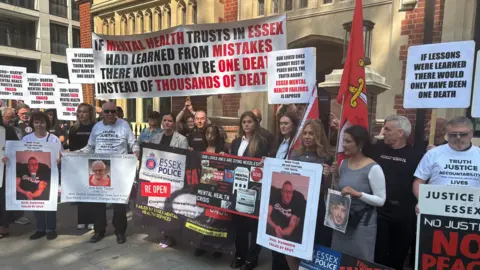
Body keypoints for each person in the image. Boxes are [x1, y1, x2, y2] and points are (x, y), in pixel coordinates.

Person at [79, 102, 139, 245]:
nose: (110, 114)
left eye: (113, 111)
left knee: (119, 204)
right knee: (98, 204)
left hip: (120, 170)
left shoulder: (124, 125)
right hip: (100, 168)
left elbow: (133, 143)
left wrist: (136, 152)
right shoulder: (97, 127)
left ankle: (120, 232)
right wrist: (74, 154)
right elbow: (90, 147)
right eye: (107, 112)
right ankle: (99, 231)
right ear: (102, 113)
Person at [371, 116, 424, 270]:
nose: (384, 132)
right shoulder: (377, 149)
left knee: (397, 257)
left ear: (400, 133)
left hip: (404, 214)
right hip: (379, 211)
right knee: (378, 256)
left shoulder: (417, 155)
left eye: (388, 129)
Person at [331, 125, 386, 261]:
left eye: (348, 141)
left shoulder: (373, 168)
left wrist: (358, 194)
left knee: (360, 260)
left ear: (360, 144)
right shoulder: (343, 163)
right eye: (344, 140)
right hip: (342, 219)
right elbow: (340, 190)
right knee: (340, 257)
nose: (344, 145)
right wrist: (334, 177)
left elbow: (381, 200)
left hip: (362, 221)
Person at [287, 119, 333, 269]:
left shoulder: (326, 157)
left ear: (318, 136)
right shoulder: (295, 154)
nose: (307, 136)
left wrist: (328, 176)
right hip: (296, 206)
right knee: (292, 244)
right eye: (305, 133)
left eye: (311, 134)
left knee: (314, 244)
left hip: (316, 207)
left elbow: (330, 188)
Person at [230, 111, 269, 270]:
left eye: (249, 122)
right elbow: (232, 161)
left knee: (253, 225)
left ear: (255, 123)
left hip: (254, 188)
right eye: (244, 122)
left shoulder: (261, 142)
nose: (246, 124)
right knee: (239, 224)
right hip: (237, 187)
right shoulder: (236, 141)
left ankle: (252, 259)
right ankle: (240, 255)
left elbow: (264, 163)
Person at [16, 111, 62, 240]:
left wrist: (59, 158)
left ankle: (51, 229)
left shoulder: (53, 138)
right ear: (33, 124)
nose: (39, 125)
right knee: (36, 203)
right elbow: (20, 153)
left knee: (50, 202)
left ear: (46, 123)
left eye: (42, 122)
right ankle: (40, 229)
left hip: (48, 174)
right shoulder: (27, 138)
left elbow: (60, 154)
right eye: (36, 122)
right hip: (32, 174)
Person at [414, 116, 480, 203]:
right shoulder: (433, 154)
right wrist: (423, 202)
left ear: (471, 133)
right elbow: (419, 182)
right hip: (437, 208)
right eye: (453, 134)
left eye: (463, 134)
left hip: (471, 210)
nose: (458, 137)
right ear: (447, 134)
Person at [68, 103, 96, 230]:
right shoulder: (74, 128)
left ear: (90, 113)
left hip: (92, 161)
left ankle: (92, 219)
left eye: (84, 112)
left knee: (91, 191)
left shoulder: (95, 127)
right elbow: (72, 147)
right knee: (81, 192)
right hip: (78, 162)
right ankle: (82, 219)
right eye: (79, 112)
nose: (82, 114)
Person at [0, 109, 20, 239]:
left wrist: (9, 156)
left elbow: (16, 148)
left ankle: (3, 227)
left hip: (2, 170)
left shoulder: (6, 130)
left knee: (2, 199)